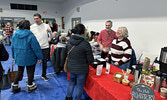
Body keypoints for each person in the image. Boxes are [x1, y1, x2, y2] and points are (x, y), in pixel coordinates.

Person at [11, 20, 43, 93]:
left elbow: (12, 46)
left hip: (19, 56)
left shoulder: (15, 35)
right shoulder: (31, 35)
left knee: (19, 71)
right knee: (30, 72)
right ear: (28, 26)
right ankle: (30, 86)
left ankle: (15, 86)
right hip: (30, 56)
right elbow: (36, 47)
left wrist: (13, 55)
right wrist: (39, 57)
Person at [65, 24, 94, 100]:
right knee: (79, 85)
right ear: (83, 32)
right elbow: (90, 60)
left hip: (71, 67)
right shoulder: (85, 44)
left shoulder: (69, 41)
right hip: (81, 69)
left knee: (71, 82)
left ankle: (68, 97)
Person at [30, 13, 52, 81]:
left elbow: (50, 37)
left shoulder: (46, 26)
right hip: (35, 47)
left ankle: (44, 75)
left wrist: (50, 32)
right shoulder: (32, 27)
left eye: (37, 18)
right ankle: (31, 77)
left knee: (44, 62)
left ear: (40, 18)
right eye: (34, 19)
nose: (36, 20)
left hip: (45, 47)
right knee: (32, 63)